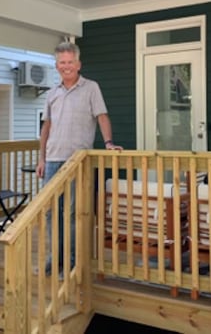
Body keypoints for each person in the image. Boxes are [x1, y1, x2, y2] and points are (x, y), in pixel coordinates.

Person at [35, 41, 122, 276]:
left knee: (73, 212)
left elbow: (102, 117)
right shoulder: (52, 94)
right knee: (52, 212)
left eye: (70, 62)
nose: (66, 66)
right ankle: (55, 257)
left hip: (78, 160)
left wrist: (108, 143)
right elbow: (46, 127)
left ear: (78, 64)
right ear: (56, 65)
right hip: (52, 160)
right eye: (62, 63)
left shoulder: (91, 87)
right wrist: (41, 158)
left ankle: (72, 260)